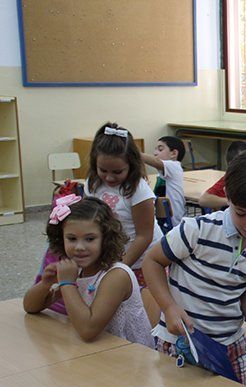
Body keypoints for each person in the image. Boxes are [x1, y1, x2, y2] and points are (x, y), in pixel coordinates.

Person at [142, 148, 246, 384]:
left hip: (228, 346)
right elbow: (152, 261)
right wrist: (169, 306)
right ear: (228, 197)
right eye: (241, 213)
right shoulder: (196, 230)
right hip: (180, 342)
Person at [23, 196, 153, 347]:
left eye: (90, 239)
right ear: (61, 239)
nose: (79, 247)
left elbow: (88, 330)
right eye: (72, 239)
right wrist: (45, 284)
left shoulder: (116, 275)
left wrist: (67, 284)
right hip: (98, 352)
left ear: (105, 239)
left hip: (133, 358)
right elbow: (30, 307)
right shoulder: (77, 270)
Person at [84, 123, 161, 286]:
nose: (109, 177)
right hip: (112, 256)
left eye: (117, 172)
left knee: (142, 305)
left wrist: (121, 268)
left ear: (131, 165)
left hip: (140, 260)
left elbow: (144, 235)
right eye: (103, 170)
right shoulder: (92, 183)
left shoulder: (138, 190)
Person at [141, 136, 186, 226]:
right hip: (162, 219)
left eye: (160, 149)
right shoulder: (163, 171)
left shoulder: (174, 166)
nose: (155, 153)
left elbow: (156, 162)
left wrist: (133, 152)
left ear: (173, 153)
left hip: (173, 221)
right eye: (155, 149)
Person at [198, 141, 246, 210]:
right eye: (245, 163)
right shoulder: (229, 178)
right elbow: (203, 200)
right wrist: (232, 202)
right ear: (231, 166)